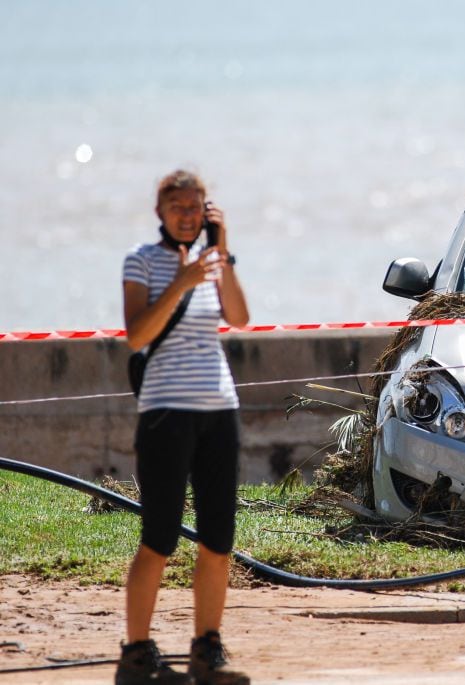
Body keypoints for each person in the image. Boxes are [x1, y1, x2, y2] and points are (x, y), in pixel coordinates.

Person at [116, 170, 250, 685]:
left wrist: (224, 251)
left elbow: (238, 317)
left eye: (196, 207)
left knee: (218, 539)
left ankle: (206, 648)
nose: (187, 216)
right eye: (178, 207)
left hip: (219, 409)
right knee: (160, 535)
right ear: (160, 213)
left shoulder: (213, 263)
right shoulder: (141, 259)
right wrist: (181, 281)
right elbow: (136, 335)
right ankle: (136, 652)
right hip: (165, 413)